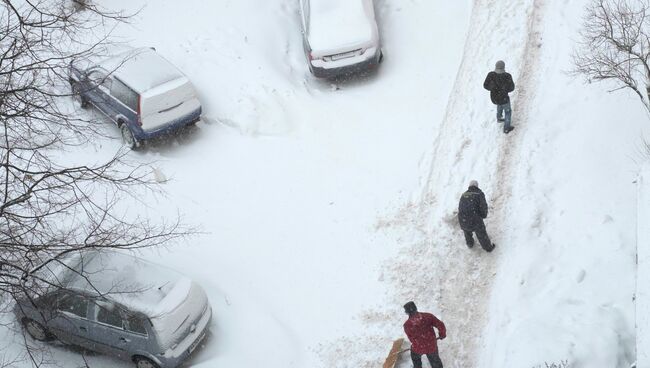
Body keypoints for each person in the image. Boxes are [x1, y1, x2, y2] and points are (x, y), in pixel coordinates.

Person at [402, 301, 446, 368]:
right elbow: (440, 325)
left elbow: (411, 339)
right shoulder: (428, 316)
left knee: (415, 357)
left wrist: (418, 343)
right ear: (416, 308)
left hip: (418, 348)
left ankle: (417, 366)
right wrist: (442, 334)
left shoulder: (407, 325)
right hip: (431, 345)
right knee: (435, 361)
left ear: (407, 312)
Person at [458, 180, 495, 252]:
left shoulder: (463, 195)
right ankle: (488, 248)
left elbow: (460, 207)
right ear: (477, 186)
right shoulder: (479, 194)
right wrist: (483, 215)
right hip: (474, 219)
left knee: (467, 231)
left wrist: (463, 217)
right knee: (481, 233)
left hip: (463, 219)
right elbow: (483, 206)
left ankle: (470, 243)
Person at [483, 60, 515, 134]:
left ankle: (499, 118)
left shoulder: (491, 75)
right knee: (508, 111)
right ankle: (506, 128)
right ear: (503, 67)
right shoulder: (507, 76)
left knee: (499, 105)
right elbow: (512, 88)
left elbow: (485, 85)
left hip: (494, 98)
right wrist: (505, 89)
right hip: (504, 98)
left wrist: (493, 88)